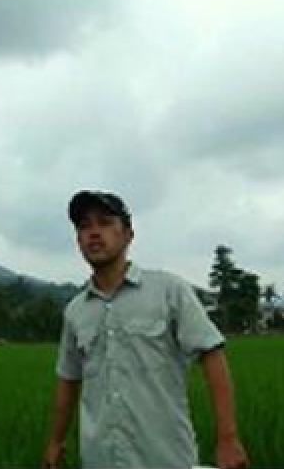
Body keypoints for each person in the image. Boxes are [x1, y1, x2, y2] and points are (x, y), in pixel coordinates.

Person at [42, 190, 249, 469]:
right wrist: (55, 441)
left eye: (105, 223)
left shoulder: (169, 291)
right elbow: (68, 379)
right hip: (99, 459)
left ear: (128, 235)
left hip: (166, 458)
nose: (94, 233)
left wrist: (228, 438)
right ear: (78, 239)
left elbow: (212, 355)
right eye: (84, 226)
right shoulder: (75, 311)